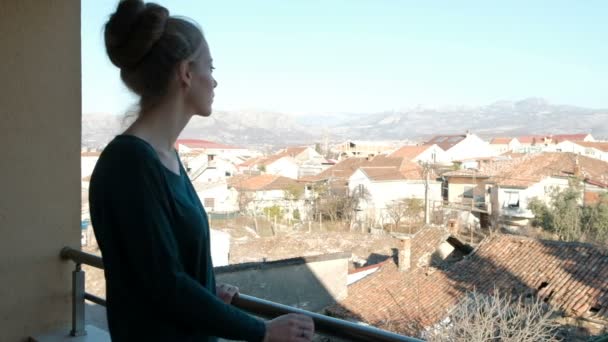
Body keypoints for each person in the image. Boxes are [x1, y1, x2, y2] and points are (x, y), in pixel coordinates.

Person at [88, 1, 315, 341]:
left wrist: (208, 296)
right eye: (210, 66)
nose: (215, 81)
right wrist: (263, 330)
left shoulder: (165, 157)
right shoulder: (130, 164)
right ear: (186, 73)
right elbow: (162, 284)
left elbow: (166, 265)